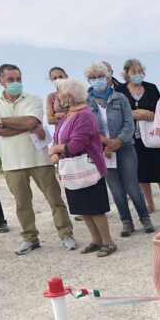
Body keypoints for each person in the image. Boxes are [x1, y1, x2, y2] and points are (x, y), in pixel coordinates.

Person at [0, 63, 76, 254]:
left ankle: (66, 234)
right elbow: (1, 129)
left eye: (18, 79)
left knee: (55, 199)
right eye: (10, 80)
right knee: (22, 204)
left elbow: (32, 121)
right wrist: (25, 125)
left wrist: (1, 121)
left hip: (39, 160)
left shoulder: (34, 99)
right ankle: (30, 238)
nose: (16, 83)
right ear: (0, 81)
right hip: (12, 163)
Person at [84, 61, 155, 237]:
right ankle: (126, 221)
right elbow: (89, 128)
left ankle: (144, 217)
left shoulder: (120, 98)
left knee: (132, 186)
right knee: (115, 189)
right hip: (103, 151)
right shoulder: (87, 103)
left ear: (107, 77)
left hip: (125, 148)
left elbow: (129, 124)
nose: (97, 80)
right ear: (88, 80)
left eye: (100, 76)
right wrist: (107, 143)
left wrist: (118, 141)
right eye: (93, 78)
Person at [48, 78, 116, 257]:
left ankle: (108, 241)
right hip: (72, 168)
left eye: (59, 92)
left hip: (87, 167)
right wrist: (54, 151)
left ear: (69, 95)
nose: (57, 96)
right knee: (83, 208)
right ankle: (96, 240)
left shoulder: (84, 114)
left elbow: (76, 144)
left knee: (95, 207)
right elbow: (57, 137)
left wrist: (56, 149)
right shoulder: (67, 114)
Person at [118, 59, 160, 213]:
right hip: (133, 138)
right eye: (133, 72)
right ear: (126, 74)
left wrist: (149, 114)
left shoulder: (151, 88)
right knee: (141, 172)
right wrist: (135, 114)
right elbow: (119, 112)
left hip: (153, 136)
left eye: (140, 71)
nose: (137, 74)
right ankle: (149, 203)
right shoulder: (120, 90)